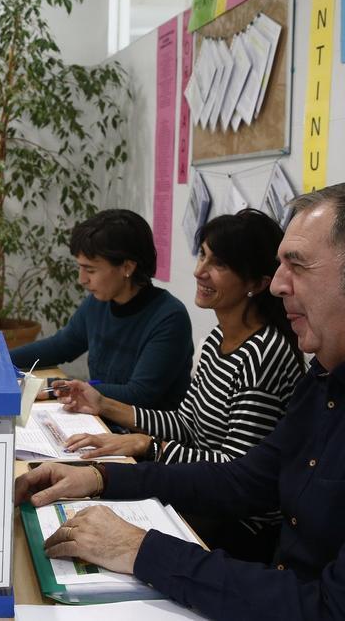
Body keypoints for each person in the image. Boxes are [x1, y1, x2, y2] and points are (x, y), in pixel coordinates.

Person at [16, 182, 345, 620]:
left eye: (297, 266)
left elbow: (342, 612)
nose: (279, 284)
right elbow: (249, 479)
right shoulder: (332, 372)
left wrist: (138, 549)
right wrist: (102, 476)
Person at [55, 209, 304, 563]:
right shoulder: (220, 337)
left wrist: (149, 445)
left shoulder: (262, 354)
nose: (199, 271)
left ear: (257, 283)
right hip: (200, 492)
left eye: (217, 264)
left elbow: (236, 471)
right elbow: (188, 422)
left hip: (240, 525)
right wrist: (106, 407)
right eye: (202, 254)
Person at [10, 209, 193, 410]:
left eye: (90, 270)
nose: (82, 279)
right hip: (101, 419)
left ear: (127, 268)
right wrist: (1, 360)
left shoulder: (169, 318)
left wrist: (55, 387)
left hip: (142, 435)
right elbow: (61, 346)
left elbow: (139, 394)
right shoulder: (98, 303)